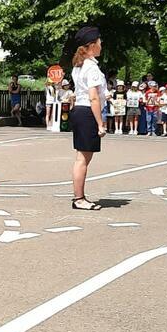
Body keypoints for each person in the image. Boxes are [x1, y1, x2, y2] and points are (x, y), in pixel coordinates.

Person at [69, 26, 107, 210]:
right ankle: (79, 199)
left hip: (80, 111)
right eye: (99, 41)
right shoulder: (90, 67)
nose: (101, 44)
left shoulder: (79, 65)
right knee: (82, 159)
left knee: (82, 158)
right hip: (87, 112)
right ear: (92, 45)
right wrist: (100, 123)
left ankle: (79, 197)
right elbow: (93, 97)